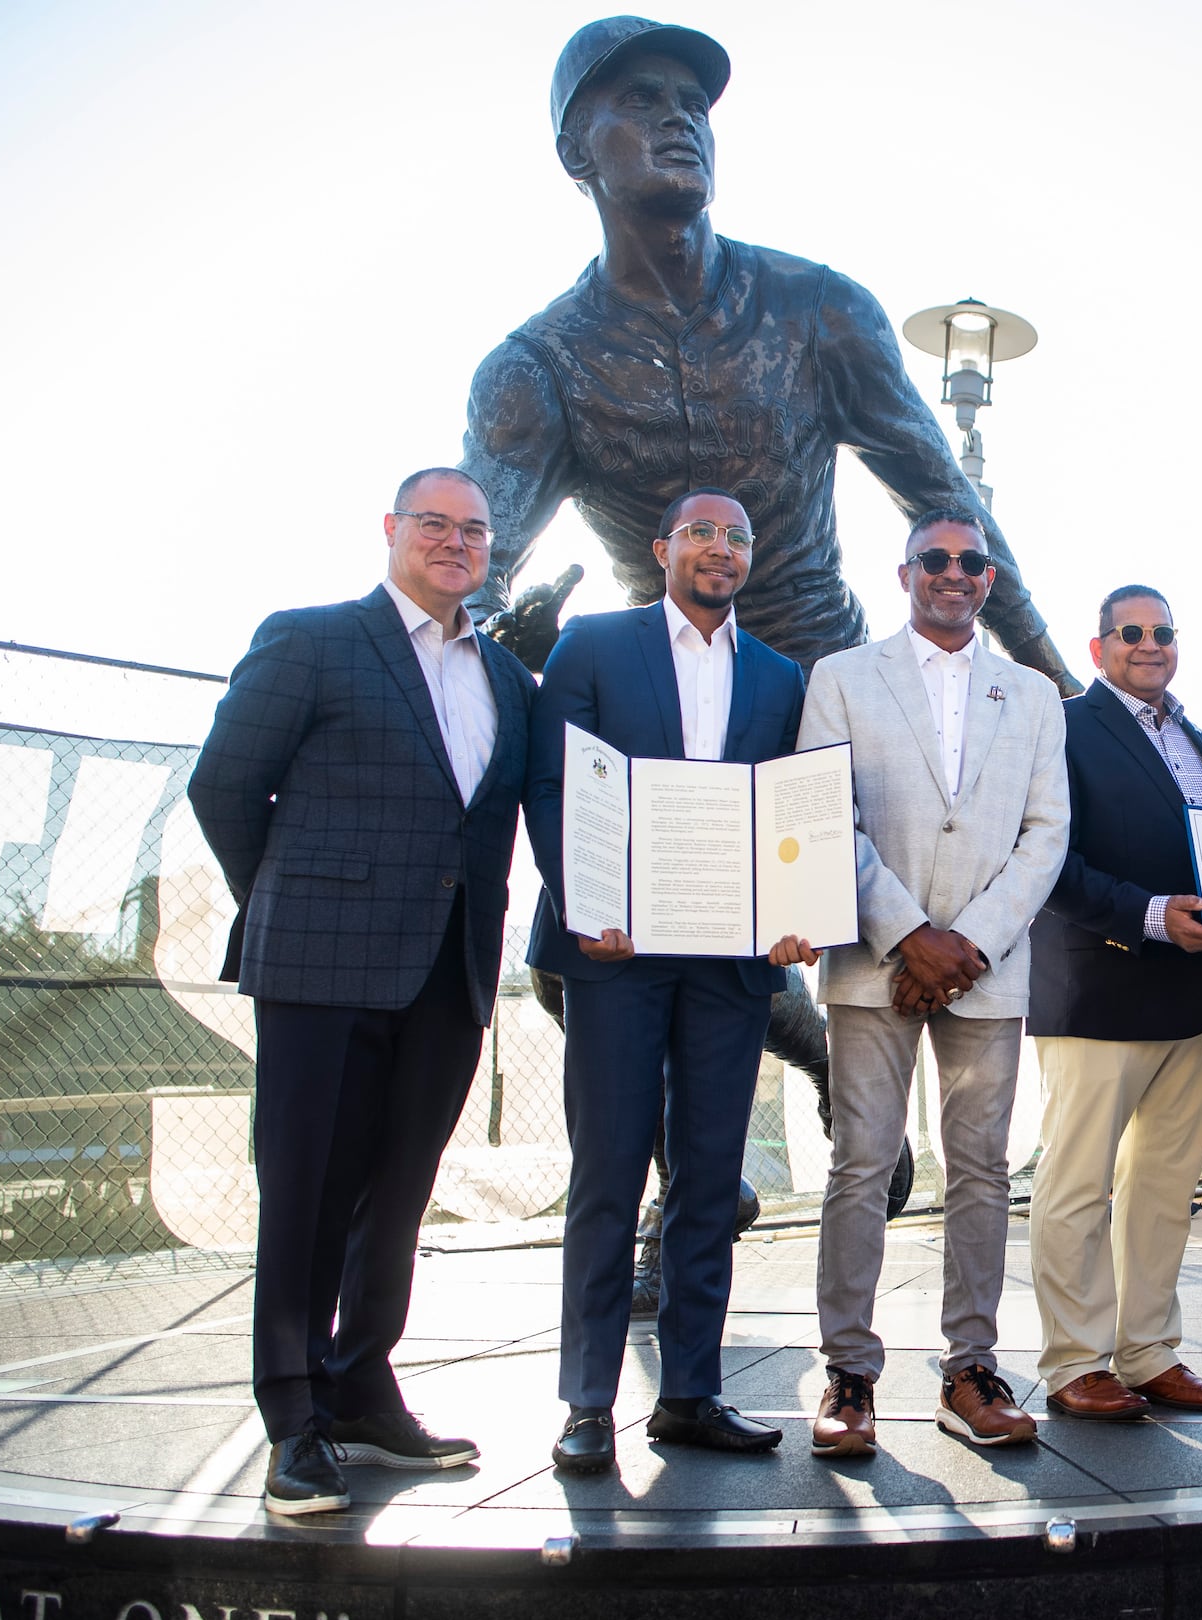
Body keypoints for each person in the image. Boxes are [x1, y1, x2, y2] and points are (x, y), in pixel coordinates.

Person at [461, 15, 1075, 691]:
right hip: (667, 702)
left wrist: (1060, 687)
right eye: (641, 100)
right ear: (577, 153)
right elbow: (470, 559)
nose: (679, 121)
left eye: (693, 105)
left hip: (819, 688)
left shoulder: (818, 311)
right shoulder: (538, 367)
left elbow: (950, 506)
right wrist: (492, 636)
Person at [187, 469, 535, 1516]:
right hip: (321, 969)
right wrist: (294, 903)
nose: (454, 542)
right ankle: (293, 1420)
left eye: (473, 530)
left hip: (448, 970)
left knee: (396, 1197)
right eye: (433, 523)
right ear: (391, 529)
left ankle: (363, 1391)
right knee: (304, 1195)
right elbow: (224, 785)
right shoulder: (311, 639)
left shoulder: (510, 681)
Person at [523, 487, 812, 1474]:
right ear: (660, 549)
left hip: (727, 962)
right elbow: (554, 783)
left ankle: (690, 1391)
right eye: (702, 532)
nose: (721, 548)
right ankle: (589, 1401)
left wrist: (796, 912)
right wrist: (579, 900)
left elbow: (792, 809)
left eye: (738, 535)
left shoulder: (777, 676)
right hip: (616, 954)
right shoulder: (594, 648)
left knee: (704, 1180)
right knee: (606, 1173)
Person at [798, 509, 1070, 1455]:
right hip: (876, 962)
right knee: (860, 1164)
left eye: (972, 562)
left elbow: (1047, 834)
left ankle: (970, 1368)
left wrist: (970, 945)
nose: (954, 574)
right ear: (906, 570)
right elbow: (826, 812)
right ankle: (848, 1374)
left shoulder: (1032, 695)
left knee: (984, 1170)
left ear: (989, 579)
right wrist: (909, 935)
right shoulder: (841, 677)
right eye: (936, 560)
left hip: (987, 972)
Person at [1026, 587, 1202, 1420]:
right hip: (1099, 986)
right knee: (1077, 1183)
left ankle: (1149, 1352)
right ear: (1098, 648)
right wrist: (1152, 916)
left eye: (1162, 632)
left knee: (1163, 1185)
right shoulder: (1065, 728)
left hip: (1198, 998)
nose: (1149, 644)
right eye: (1131, 632)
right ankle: (1076, 1360)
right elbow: (1050, 857)